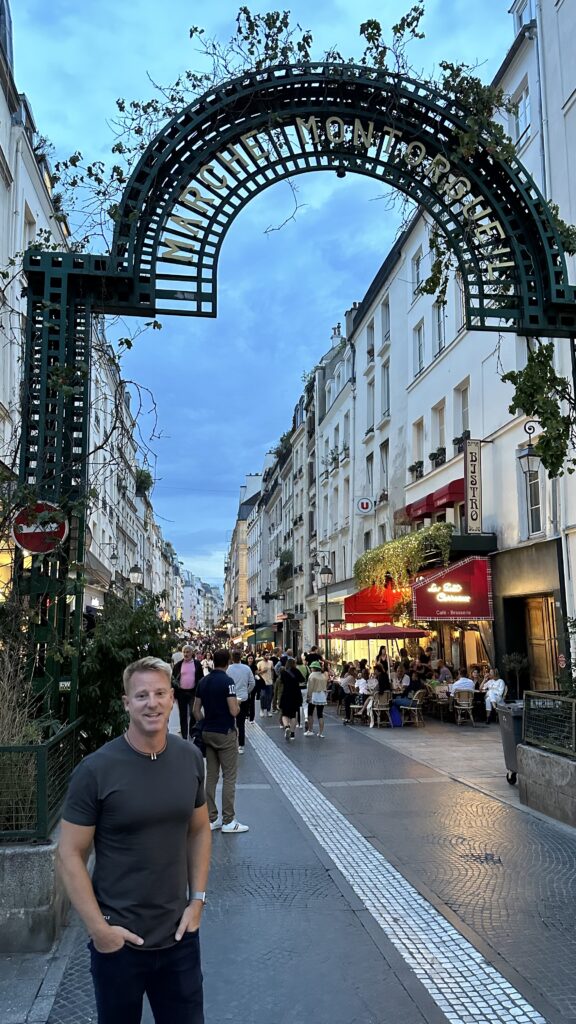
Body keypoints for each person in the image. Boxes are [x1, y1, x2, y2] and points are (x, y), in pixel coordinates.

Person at [58, 656, 210, 1024]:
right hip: (119, 941)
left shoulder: (190, 758)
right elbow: (69, 853)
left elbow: (200, 828)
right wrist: (99, 930)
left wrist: (198, 902)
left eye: (159, 693)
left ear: (172, 698)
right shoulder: (96, 769)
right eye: (141, 695)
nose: (152, 703)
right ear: (126, 703)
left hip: (179, 937)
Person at [193, 650, 248, 834]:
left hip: (208, 731)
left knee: (211, 776)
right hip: (225, 731)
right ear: (227, 663)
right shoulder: (227, 682)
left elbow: (196, 710)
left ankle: (212, 817)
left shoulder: (203, 682)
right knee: (229, 777)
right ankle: (228, 820)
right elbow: (233, 711)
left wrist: (203, 721)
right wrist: (238, 705)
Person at [171, 646, 204, 741]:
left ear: (192, 653)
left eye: (188, 652)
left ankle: (192, 732)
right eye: (184, 652)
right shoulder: (178, 665)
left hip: (193, 692)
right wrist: (173, 693)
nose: (186, 654)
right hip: (181, 693)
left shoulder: (197, 664)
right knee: (183, 714)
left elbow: (201, 678)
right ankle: (184, 735)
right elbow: (173, 680)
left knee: (193, 713)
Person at [226, 650, 255, 753]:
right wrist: (247, 692)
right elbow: (252, 683)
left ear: (231, 658)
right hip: (243, 698)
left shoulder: (228, 669)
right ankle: (241, 745)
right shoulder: (246, 668)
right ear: (241, 657)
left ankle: (230, 742)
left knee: (230, 721)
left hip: (231, 698)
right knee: (241, 723)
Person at [279, 657, 303, 740]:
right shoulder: (296, 671)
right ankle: (292, 733)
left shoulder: (283, 672)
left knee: (284, 713)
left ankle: (287, 727)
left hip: (286, 694)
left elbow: (281, 682)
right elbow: (302, 679)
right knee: (293, 714)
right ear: (294, 664)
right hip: (295, 694)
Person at [305, 661, 328, 737]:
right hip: (322, 696)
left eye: (311, 667)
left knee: (310, 713)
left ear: (313, 668)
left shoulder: (312, 676)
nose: (311, 668)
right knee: (320, 714)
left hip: (314, 695)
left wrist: (308, 696)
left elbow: (310, 688)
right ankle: (320, 733)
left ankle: (310, 730)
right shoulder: (323, 676)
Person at [257, 651, 275, 716]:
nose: (268, 656)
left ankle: (268, 710)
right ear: (263, 656)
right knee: (263, 696)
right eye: (266, 655)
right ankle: (262, 709)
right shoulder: (259, 663)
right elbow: (257, 673)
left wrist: (272, 678)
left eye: (268, 655)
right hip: (262, 682)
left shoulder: (271, 662)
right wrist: (263, 671)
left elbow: (272, 670)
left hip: (270, 682)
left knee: (269, 697)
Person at [245, 653, 259, 723]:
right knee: (246, 700)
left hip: (253, 685)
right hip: (245, 685)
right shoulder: (244, 666)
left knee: (252, 701)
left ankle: (252, 718)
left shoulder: (254, 667)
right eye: (249, 658)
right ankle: (246, 714)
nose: (250, 660)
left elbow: (257, 674)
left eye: (251, 658)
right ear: (247, 659)